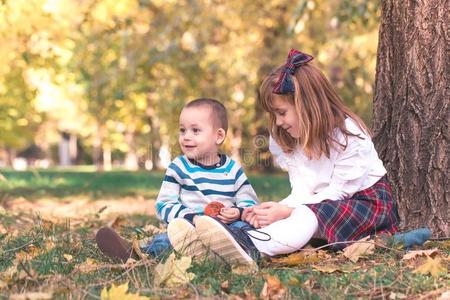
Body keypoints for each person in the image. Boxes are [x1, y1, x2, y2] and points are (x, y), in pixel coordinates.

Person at [192, 49, 400, 265]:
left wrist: (287, 211)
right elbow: (302, 191)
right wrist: (275, 209)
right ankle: (226, 241)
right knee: (287, 216)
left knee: (304, 216)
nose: (278, 122)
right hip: (320, 205)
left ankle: (248, 246)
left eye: (282, 113)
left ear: (307, 105)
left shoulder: (347, 134)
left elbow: (339, 192)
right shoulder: (290, 138)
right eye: (274, 115)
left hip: (364, 205)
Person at [95, 98, 259, 263]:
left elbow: (250, 202)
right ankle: (135, 252)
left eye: (195, 131)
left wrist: (238, 212)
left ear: (218, 136)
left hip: (226, 231)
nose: (186, 137)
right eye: (182, 130)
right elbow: (164, 205)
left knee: (246, 229)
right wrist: (192, 218)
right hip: (189, 231)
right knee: (166, 240)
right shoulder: (178, 167)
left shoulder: (233, 169)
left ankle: (234, 251)